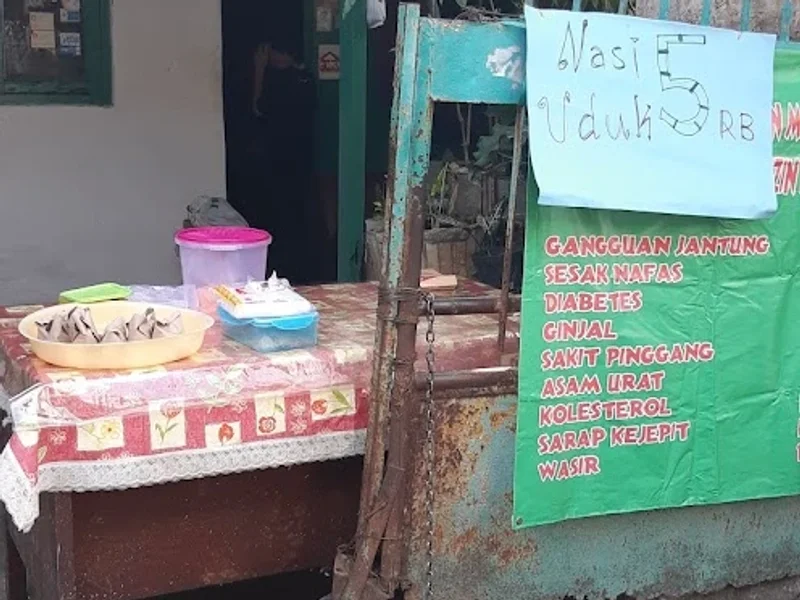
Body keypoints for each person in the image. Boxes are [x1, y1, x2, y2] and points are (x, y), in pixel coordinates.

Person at [246, 37, 318, 283]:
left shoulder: (283, 81)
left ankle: (284, 272)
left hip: (280, 163)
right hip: (302, 162)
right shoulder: (307, 78)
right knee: (298, 216)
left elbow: (258, 107)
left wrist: (259, 70)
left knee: (281, 219)